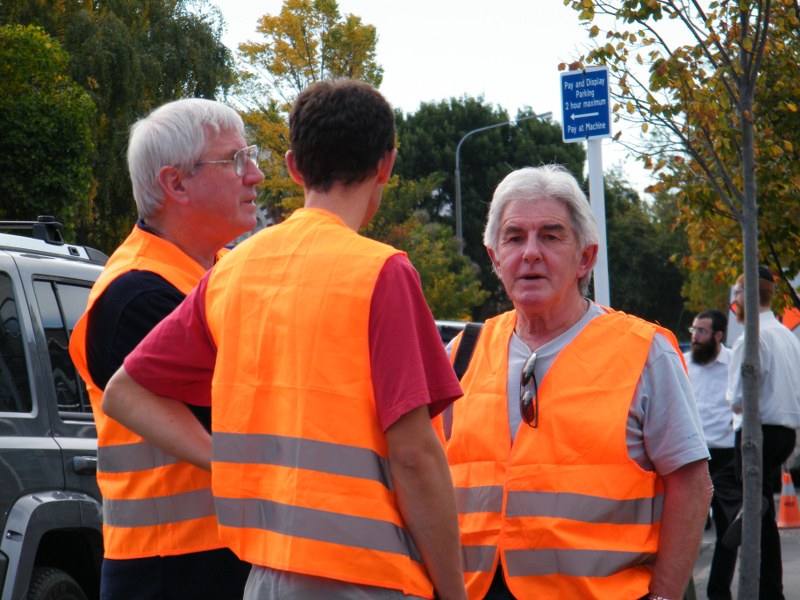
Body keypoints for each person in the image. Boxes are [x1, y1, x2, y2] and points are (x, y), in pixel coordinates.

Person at [101, 80, 467, 600]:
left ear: (294, 167)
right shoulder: (382, 271)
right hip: (366, 573)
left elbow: (124, 392)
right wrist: (453, 589)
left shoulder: (234, 270)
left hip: (264, 571)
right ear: (385, 165)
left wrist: (229, 462)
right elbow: (415, 456)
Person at [443, 165, 712, 600]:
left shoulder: (644, 352)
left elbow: (692, 485)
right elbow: (425, 479)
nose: (531, 253)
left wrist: (664, 596)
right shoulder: (462, 353)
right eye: (514, 237)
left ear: (585, 258)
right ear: (495, 257)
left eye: (550, 236)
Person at [69, 98, 263, 599]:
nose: (255, 175)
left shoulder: (220, 273)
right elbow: (243, 414)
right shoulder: (135, 293)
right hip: (169, 569)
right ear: (176, 184)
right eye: (236, 160)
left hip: (221, 556)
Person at [723, 265, 800, 599]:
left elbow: (737, 399)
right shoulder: (786, 336)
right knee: (763, 513)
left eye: (737, 294)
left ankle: (764, 587)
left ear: (745, 295)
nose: (735, 302)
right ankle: (771, 589)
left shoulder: (750, 339)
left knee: (731, 490)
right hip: (785, 432)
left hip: (757, 432)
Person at [684, 309, 738, 600]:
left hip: (725, 455)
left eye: (701, 331)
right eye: (693, 330)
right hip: (692, 455)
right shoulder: (683, 363)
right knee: (682, 528)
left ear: (718, 335)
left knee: (727, 529)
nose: (695, 336)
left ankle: (718, 591)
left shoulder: (733, 363)